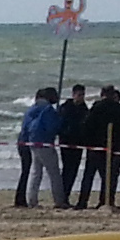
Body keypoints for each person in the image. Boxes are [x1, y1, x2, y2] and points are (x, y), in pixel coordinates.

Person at [13, 85, 58, 208]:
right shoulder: (46, 110)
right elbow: (50, 127)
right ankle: (22, 199)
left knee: (30, 172)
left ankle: (24, 198)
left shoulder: (32, 109)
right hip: (34, 142)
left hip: (24, 142)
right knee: (36, 172)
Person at [52, 81, 90, 212]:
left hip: (78, 143)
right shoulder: (65, 107)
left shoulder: (84, 109)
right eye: (79, 94)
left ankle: (65, 197)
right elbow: (61, 124)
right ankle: (62, 197)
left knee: (73, 171)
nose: (81, 97)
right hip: (66, 142)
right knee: (67, 170)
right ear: (73, 94)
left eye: (83, 95)